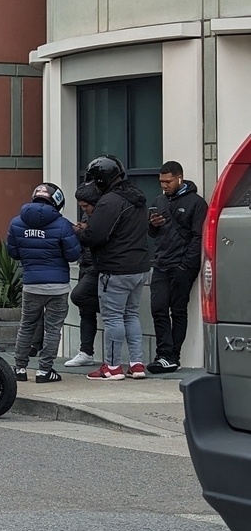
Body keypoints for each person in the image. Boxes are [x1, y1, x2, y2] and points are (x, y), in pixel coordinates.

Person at [76, 155, 151, 381]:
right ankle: (137, 364)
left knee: (113, 319)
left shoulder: (110, 201)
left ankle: (112, 367)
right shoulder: (137, 198)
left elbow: (94, 236)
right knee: (131, 315)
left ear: (101, 180)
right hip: (139, 267)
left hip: (115, 269)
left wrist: (78, 231)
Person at [6, 182, 81, 383]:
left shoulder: (16, 223)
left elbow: (13, 252)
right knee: (53, 329)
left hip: (31, 285)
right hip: (57, 287)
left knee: (26, 326)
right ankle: (45, 371)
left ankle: (19, 368)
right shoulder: (63, 224)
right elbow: (73, 254)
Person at [147, 161, 207, 373]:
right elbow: (153, 234)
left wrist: (186, 266)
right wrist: (152, 225)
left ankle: (172, 356)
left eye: (168, 181)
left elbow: (198, 237)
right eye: (162, 181)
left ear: (179, 178)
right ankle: (164, 354)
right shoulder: (158, 201)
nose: (164, 185)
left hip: (183, 265)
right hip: (162, 262)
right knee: (158, 308)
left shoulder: (196, 203)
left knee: (178, 310)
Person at [64, 182, 103, 368]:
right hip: (85, 262)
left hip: (97, 265)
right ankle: (86, 351)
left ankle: (112, 310)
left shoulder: (103, 214)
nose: (85, 210)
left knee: (78, 296)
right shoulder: (88, 214)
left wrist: (84, 231)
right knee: (85, 312)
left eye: (86, 206)